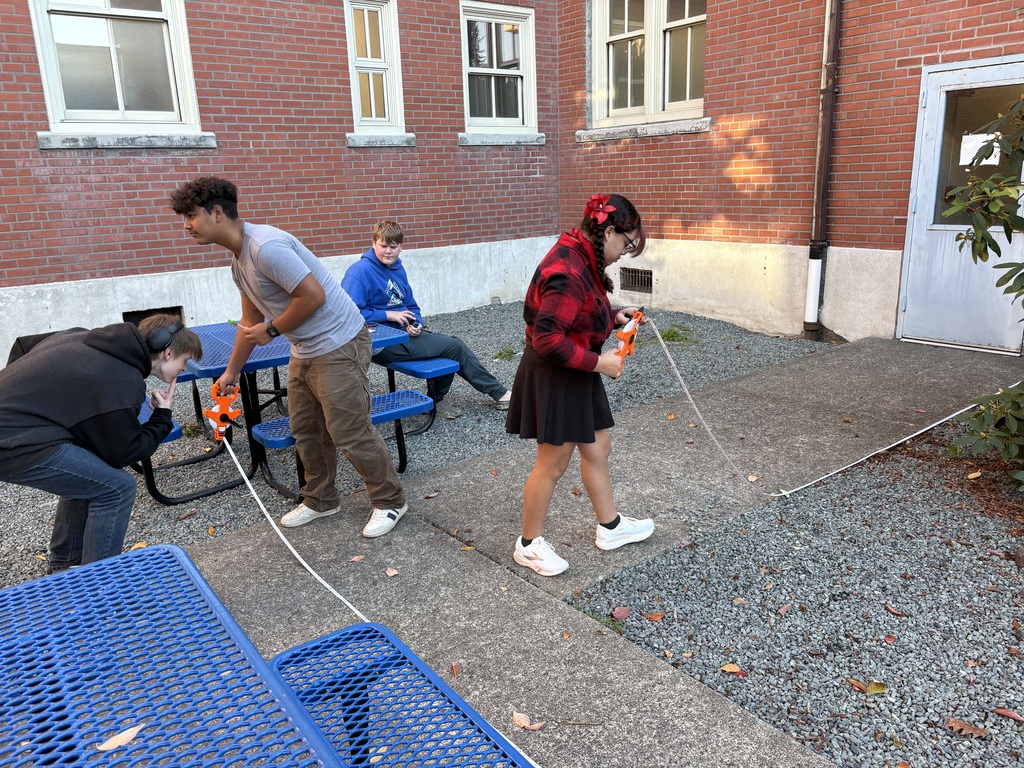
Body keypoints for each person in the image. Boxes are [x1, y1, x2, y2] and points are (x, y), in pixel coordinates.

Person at [169, 177, 408, 537]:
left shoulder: (266, 247)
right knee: (306, 430)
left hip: (340, 342)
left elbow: (313, 297)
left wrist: (274, 330)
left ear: (217, 213)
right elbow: (250, 323)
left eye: (190, 216)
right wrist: (231, 373)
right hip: (306, 348)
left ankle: (390, 501)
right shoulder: (239, 262)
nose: (186, 225)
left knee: (348, 430)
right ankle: (321, 500)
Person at [505, 194, 655, 576]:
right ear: (607, 232)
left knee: (598, 447)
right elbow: (547, 339)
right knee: (552, 465)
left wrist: (615, 317)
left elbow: (582, 311)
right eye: (625, 243)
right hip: (556, 373)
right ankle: (528, 545)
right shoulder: (567, 269)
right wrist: (600, 363)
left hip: (575, 370)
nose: (624, 253)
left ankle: (611, 527)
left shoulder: (581, 255)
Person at [0, 314, 202, 573]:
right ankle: (98, 584)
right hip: (14, 444)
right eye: (185, 361)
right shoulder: (123, 379)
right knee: (117, 488)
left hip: (14, 431)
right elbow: (124, 453)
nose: (184, 369)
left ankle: (64, 564)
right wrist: (162, 416)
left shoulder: (82, 336)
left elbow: (22, 347)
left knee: (92, 468)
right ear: (168, 352)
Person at [341, 219, 512, 418]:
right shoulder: (359, 272)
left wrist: (417, 324)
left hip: (403, 334)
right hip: (378, 342)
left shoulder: (397, 269)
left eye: (393, 247)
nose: (388, 251)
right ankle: (498, 394)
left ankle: (436, 401)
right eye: (383, 246)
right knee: (453, 347)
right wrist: (387, 314)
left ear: (401, 247)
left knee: (450, 346)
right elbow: (349, 315)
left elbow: (411, 306)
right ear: (373, 243)